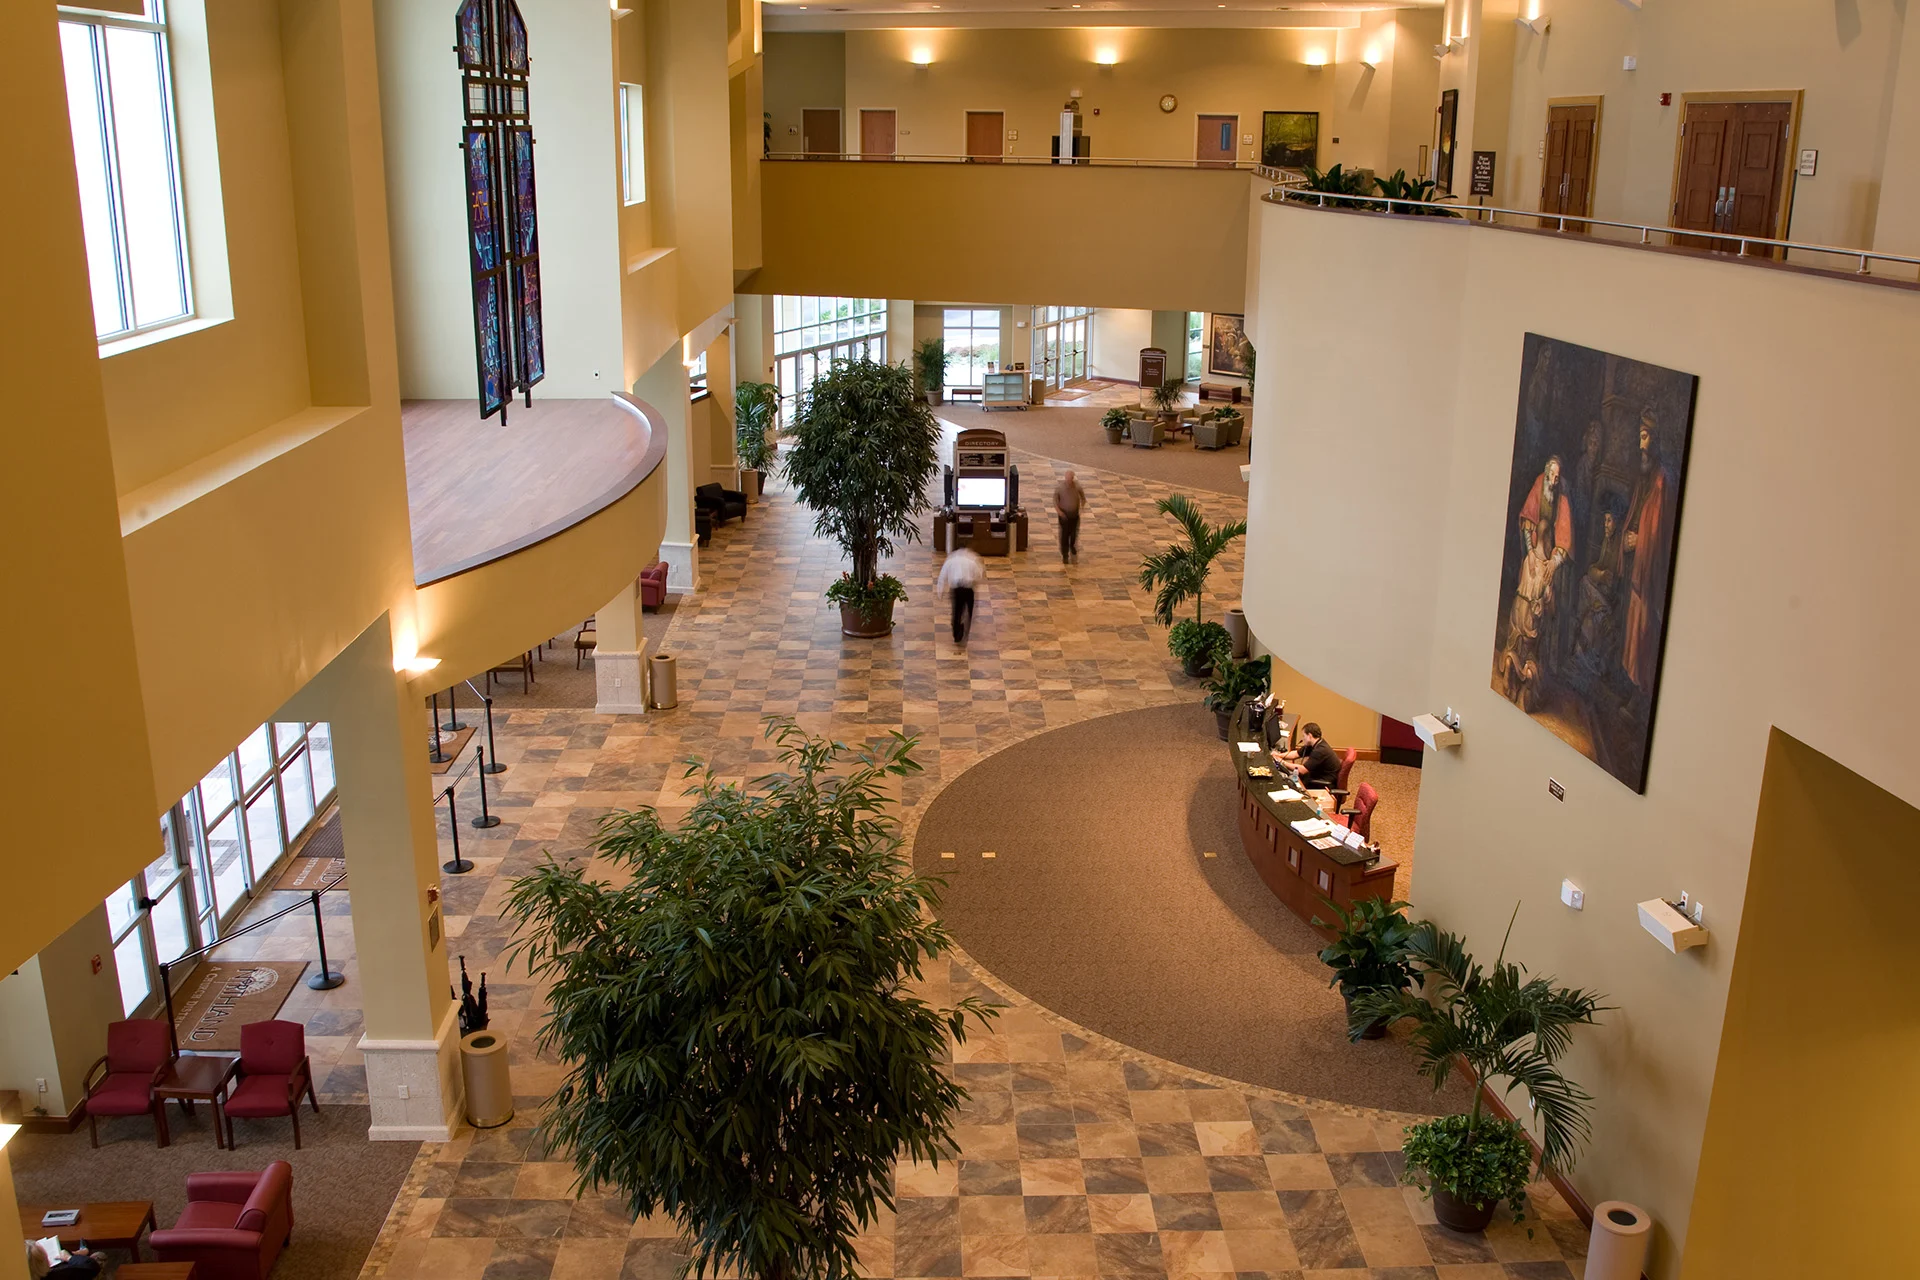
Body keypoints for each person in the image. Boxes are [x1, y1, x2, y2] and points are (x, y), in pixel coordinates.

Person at [935, 546, 986, 644]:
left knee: (956, 611)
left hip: (956, 589)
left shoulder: (951, 558)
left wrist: (940, 592)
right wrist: (975, 582)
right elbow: (979, 573)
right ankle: (965, 630)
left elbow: (942, 575)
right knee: (969, 611)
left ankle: (957, 633)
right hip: (968, 589)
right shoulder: (972, 557)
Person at [1277, 722, 1340, 790]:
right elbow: (1296, 754)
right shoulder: (1315, 743)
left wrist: (1282, 762)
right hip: (1316, 775)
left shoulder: (1320, 751)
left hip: (1323, 782)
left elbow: (1303, 770)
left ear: (1309, 736)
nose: (1303, 739)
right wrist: (1278, 755)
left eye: (1304, 736)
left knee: (1288, 783)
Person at [27, 1239, 102, 1279]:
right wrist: (69, 1258)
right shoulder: (60, 1274)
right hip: (87, 1270)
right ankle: (81, 1253)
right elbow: (92, 1266)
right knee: (100, 1256)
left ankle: (78, 1253)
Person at [1053, 470, 1085, 564]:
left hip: (1074, 515)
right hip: (1064, 516)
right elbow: (1055, 501)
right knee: (1065, 535)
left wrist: (1082, 507)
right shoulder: (1060, 488)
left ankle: (1072, 546)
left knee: (1074, 533)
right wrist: (1059, 512)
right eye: (1067, 479)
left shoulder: (1077, 487)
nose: (1069, 481)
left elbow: (1083, 497)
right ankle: (1065, 554)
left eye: (1070, 479)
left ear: (1073, 478)